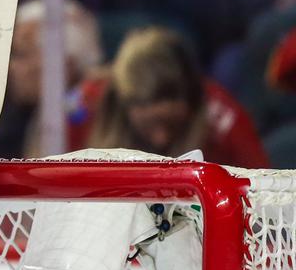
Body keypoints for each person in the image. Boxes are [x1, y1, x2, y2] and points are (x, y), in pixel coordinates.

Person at [72, 26, 270, 167]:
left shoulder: (223, 117)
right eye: (149, 125)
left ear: (190, 103)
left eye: (171, 124)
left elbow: (263, 191)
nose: (161, 140)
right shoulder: (89, 104)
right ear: (125, 104)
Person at [0, 0, 104, 159]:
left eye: (21, 54)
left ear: (64, 63)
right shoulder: (20, 116)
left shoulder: (97, 115)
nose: (11, 67)